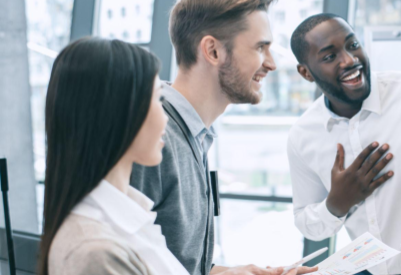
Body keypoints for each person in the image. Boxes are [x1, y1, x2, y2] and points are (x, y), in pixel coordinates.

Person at [128, 0, 315, 274]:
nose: (272, 64)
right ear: (213, 51)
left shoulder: (195, 135)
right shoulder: (153, 137)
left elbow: (177, 264)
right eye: (260, 47)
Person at [288, 13, 401, 275]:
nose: (349, 60)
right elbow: (307, 223)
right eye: (329, 56)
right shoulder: (303, 136)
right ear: (305, 72)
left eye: (353, 45)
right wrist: (336, 204)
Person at [37, 37, 187, 275]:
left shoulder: (125, 218)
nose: (166, 118)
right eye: (159, 99)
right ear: (120, 113)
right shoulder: (96, 253)